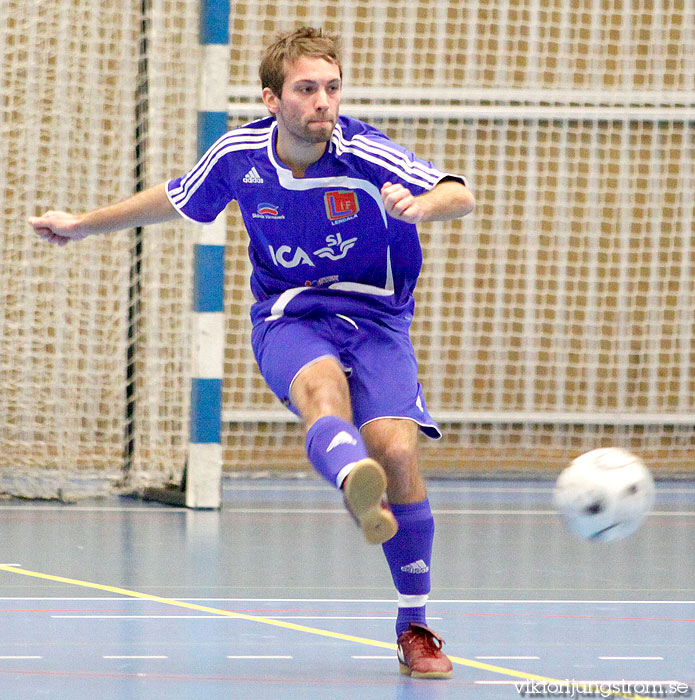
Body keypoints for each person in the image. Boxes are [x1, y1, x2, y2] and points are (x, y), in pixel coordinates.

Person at [28, 26, 475, 679]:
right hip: (289, 313)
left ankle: (414, 626)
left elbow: (458, 192)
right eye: (306, 89)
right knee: (323, 395)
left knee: (399, 450)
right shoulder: (239, 155)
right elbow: (177, 199)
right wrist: (81, 223)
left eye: (331, 87)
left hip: (377, 318)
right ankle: (354, 481)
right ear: (272, 98)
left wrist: (421, 208)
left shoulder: (364, 151)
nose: (323, 101)